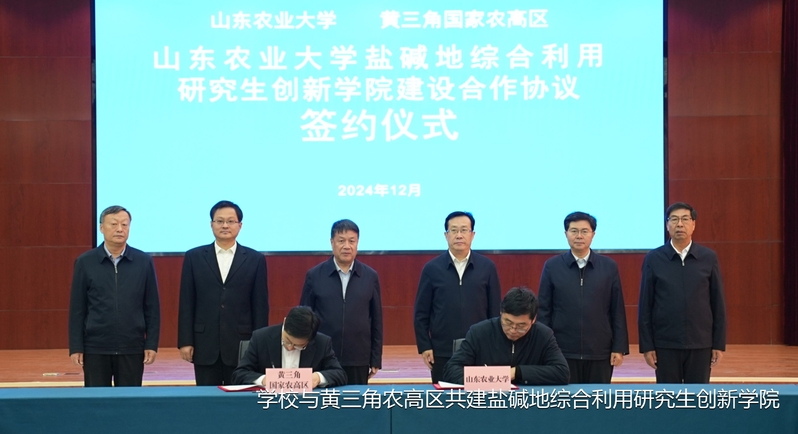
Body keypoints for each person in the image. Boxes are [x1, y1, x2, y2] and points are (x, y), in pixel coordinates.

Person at [178, 200, 270, 385]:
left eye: (230, 221)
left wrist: (258, 345)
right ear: (211, 224)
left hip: (241, 343)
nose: (225, 225)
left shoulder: (255, 259)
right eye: (219, 221)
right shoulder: (194, 257)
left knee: (239, 397)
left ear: (240, 225)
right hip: (204, 343)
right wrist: (185, 341)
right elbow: (187, 302)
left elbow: (260, 306)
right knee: (207, 397)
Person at [68, 205, 160, 387]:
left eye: (124, 224)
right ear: (101, 227)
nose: (120, 229)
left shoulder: (143, 261)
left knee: (129, 400)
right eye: (114, 224)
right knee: (97, 400)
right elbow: (77, 308)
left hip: (132, 346)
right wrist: (76, 346)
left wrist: (151, 344)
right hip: (95, 347)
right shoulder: (85, 262)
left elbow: (152, 307)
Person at [638, 202, 727, 383]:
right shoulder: (654, 258)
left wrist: (718, 343)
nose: (680, 224)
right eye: (674, 219)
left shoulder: (708, 258)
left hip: (701, 343)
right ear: (667, 225)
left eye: (685, 219)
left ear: (693, 224)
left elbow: (717, 303)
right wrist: (647, 346)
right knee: (668, 397)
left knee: (698, 396)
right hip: (665, 344)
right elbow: (645, 305)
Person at [538, 211, 629, 383]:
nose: (579, 236)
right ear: (566, 234)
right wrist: (543, 347)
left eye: (584, 231)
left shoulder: (608, 267)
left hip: (599, 351)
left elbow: (616, 309)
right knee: (565, 398)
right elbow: (544, 310)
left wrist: (619, 347)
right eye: (574, 231)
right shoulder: (552, 266)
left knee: (597, 398)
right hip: (562, 351)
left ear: (593, 234)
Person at [414, 211, 501, 383]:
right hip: (442, 351)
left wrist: (494, 346)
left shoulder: (487, 267)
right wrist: (425, 346)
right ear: (446, 235)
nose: (459, 235)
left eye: (464, 230)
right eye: (454, 230)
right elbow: (421, 313)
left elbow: (495, 311)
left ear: (472, 234)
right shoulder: (432, 269)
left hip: (479, 349)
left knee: (477, 397)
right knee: (444, 397)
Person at [299, 219, 383, 385]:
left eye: (352, 241)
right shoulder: (314, 275)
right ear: (332, 242)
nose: (347, 246)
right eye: (341, 241)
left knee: (356, 400)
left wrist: (375, 358)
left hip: (358, 357)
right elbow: (304, 319)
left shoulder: (370, 276)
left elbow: (376, 320)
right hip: (322, 357)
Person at [443, 286, 569, 385]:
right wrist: (490, 378)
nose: (513, 330)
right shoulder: (479, 332)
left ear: (533, 319)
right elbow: (451, 370)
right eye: (508, 322)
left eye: (521, 326)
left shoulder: (543, 335)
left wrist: (516, 372)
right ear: (501, 312)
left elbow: (562, 372)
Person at [232, 306, 347, 387]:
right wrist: (264, 380)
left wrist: (318, 377)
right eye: (287, 341)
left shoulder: (322, 342)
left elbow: (340, 374)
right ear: (285, 322)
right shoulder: (261, 338)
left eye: (299, 346)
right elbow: (239, 374)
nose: (290, 348)